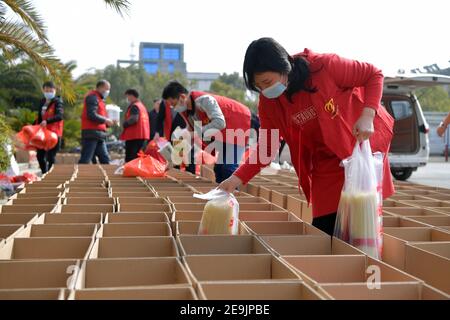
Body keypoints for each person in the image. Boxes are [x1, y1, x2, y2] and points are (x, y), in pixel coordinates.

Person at [219, 38, 395, 236]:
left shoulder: (324, 67)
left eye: (267, 82)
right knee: (324, 229)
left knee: (361, 228)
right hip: (324, 163)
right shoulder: (269, 103)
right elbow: (266, 148)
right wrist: (236, 178)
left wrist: (368, 115)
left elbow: (373, 74)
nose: (265, 90)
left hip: (357, 149)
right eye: (258, 87)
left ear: (283, 67)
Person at [161, 81, 252, 183]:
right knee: (219, 169)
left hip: (237, 124)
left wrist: (194, 133)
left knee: (228, 168)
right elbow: (189, 133)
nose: (174, 108)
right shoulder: (186, 111)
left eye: (173, 104)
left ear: (182, 97)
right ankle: (222, 195)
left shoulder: (204, 100)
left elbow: (220, 122)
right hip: (222, 134)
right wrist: (174, 159)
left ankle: (232, 196)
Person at [79, 80, 115, 164]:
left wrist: (108, 123)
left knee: (105, 159)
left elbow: (99, 116)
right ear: (100, 87)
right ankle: (80, 176)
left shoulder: (99, 99)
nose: (107, 92)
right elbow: (91, 114)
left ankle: (107, 177)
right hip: (91, 133)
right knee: (86, 159)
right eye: (107, 89)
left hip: (99, 134)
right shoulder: (93, 97)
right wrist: (105, 120)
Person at [35, 81, 64, 174]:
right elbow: (40, 116)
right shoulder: (42, 101)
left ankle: (51, 175)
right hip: (43, 133)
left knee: (51, 156)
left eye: (51, 91)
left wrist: (47, 121)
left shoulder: (58, 102)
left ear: (55, 91)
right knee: (39, 155)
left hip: (54, 134)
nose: (49, 93)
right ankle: (44, 172)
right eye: (47, 90)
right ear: (43, 90)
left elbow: (60, 116)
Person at [120, 89, 150, 162]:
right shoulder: (142, 106)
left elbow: (134, 119)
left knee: (131, 158)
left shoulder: (134, 106)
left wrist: (124, 124)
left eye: (128, 96)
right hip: (142, 136)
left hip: (134, 136)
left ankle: (131, 172)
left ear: (131, 96)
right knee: (138, 157)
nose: (127, 98)